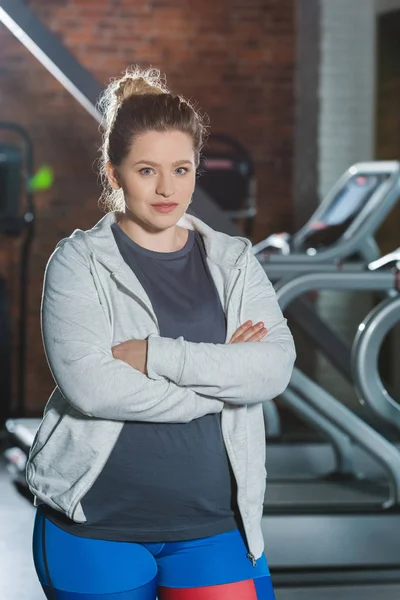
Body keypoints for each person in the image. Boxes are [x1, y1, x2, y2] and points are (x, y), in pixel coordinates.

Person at [27, 66, 296, 600]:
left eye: (182, 169)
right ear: (114, 173)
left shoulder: (233, 259)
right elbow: (94, 388)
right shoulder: (78, 263)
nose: (168, 188)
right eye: (147, 170)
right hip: (96, 525)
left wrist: (154, 354)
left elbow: (272, 368)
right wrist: (222, 383)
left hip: (215, 525)